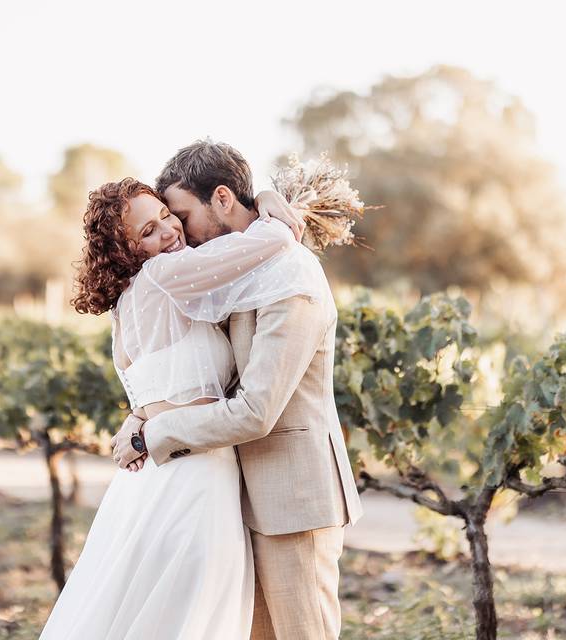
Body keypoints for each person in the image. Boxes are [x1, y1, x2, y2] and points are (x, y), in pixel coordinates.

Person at [39, 175, 322, 639]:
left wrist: (139, 422)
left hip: (159, 478)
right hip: (195, 479)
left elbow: (151, 397)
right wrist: (270, 201)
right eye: (147, 232)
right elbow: (271, 239)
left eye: (168, 215)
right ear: (125, 252)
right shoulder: (164, 276)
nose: (169, 231)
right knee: (191, 617)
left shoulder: (132, 303)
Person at [112, 140, 364, 640]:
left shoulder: (289, 276)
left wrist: (152, 433)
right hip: (235, 497)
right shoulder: (235, 271)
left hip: (294, 501)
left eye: (180, 214)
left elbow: (254, 410)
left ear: (222, 198)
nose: (178, 231)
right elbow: (203, 374)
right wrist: (142, 412)